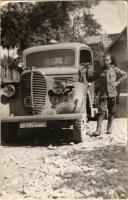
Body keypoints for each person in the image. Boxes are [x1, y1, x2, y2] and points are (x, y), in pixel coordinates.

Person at [86, 54, 128, 136]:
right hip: (103, 94)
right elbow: (91, 77)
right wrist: (88, 70)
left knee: (112, 112)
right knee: (102, 111)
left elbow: (125, 74)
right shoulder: (100, 70)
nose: (106, 62)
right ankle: (98, 130)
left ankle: (109, 128)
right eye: (104, 60)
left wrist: (117, 82)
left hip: (112, 93)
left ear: (110, 61)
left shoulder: (114, 69)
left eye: (107, 60)